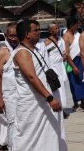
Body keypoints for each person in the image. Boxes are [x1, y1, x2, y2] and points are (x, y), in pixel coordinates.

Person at [12, 20, 64, 150]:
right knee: (28, 138)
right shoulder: (22, 52)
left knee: (47, 136)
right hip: (31, 104)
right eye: (36, 30)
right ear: (27, 34)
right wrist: (50, 98)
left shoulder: (34, 49)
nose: (39, 32)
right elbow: (31, 77)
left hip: (41, 102)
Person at [0, 22, 20, 150]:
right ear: (6, 35)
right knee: (12, 123)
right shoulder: (3, 52)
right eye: (11, 36)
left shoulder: (23, 50)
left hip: (23, 94)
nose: (14, 38)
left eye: (16, 35)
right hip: (9, 95)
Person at [44, 22, 70, 119]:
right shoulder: (46, 43)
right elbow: (45, 57)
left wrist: (63, 56)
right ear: (50, 31)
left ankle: (61, 109)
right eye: (56, 28)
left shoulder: (61, 40)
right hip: (53, 69)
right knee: (55, 89)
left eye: (58, 28)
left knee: (62, 89)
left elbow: (64, 52)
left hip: (60, 67)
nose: (58, 30)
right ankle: (56, 109)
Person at [63, 16, 84, 111]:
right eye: (76, 25)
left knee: (82, 81)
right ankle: (75, 103)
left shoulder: (78, 34)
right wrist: (73, 67)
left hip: (81, 60)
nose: (77, 26)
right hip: (72, 61)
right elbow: (67, 53)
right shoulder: (66, 36)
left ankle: (83, 102)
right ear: (71, 25)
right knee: (74, 83)